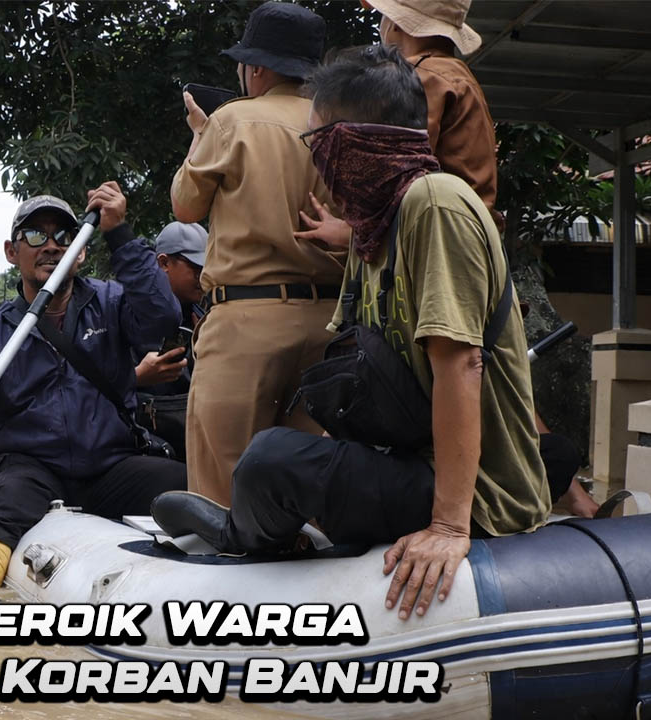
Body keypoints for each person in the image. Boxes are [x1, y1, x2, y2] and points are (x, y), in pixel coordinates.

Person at [153, 46, 551, 621]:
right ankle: (265, 524)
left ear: (354, 144)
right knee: (287, 450)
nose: (317, 166)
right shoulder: (374, 231)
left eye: (319, 145)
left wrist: (448, 526)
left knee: (270, 459)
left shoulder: (434, 204)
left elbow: (461, 363)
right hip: (412, 460)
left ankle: (243, 533)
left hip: (479, 496)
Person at [0, 183, 188, 600]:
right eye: (35, 235)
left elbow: (163, 317)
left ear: (80, 251)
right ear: (12, 252)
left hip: (110, 466)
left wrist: (119, 233)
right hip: (30, 468)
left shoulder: (111, 301)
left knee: (185, 483)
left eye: (64, 236)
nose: (50, 246)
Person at [171, 2, 345, 506]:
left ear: (257, 67)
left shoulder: (232, 120)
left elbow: (185, 207)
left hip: (246, 320)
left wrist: (201, 136)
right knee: (310, 481)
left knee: (223, 486)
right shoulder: (340, 123)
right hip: (330, 323)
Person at [296, 0, 500, 247]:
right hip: (466, 228)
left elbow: (395, 170)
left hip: (442, 235)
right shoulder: (455, 73)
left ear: (395, 23)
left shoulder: (420, 77)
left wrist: (349, 233)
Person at [135, 221, 207, 393]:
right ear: (164, 263)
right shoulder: (129, 312)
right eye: (196, 268)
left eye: (208, 268)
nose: (204, 276)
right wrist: (136, 378)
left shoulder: (202, 317)